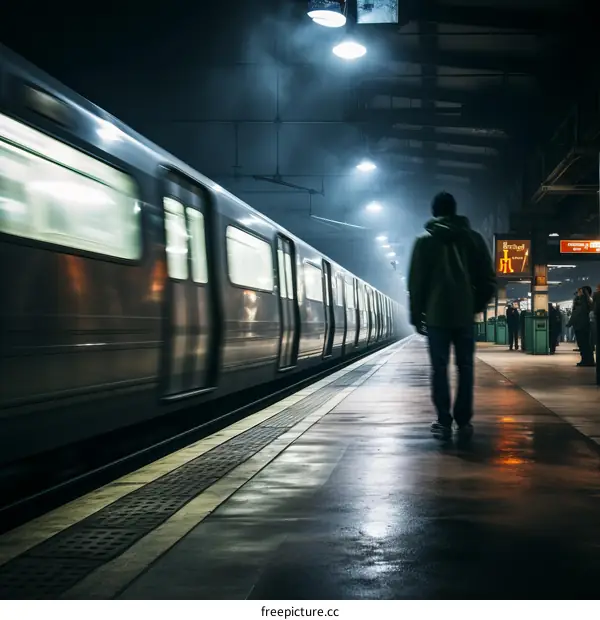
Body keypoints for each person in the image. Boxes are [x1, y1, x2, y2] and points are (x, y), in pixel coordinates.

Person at [408, 191, 496, 440]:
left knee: (439, 368)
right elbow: (488, 281)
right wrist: (473, 305)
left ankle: (443, 420)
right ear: (455, 210)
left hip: (436, 318)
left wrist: (417, 316)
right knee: (465, 368)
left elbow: (416, 284)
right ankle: (464, 420)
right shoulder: (474, 239)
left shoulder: (424, 242)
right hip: (464, 317)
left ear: (434, 211)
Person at [567, 287, 594, 367]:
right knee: (586, 344)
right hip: (585, 325)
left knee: (582, 344)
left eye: (579, 291)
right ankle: (589, 360)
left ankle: (585, 361)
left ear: (581, 292)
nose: (577, 293)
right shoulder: (588, 301)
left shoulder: (580, 301)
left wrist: (570, 323)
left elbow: (576, 313)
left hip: (580, 326)